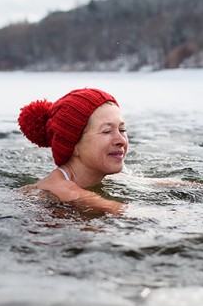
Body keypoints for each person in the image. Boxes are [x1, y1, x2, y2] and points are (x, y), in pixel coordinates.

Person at [18, 87, 127, 215]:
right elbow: (123, 211)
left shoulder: (104, 175)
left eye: (122, 130)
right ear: (74, 145)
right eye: (107, 131)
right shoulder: (63, 189)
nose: (121, 140)